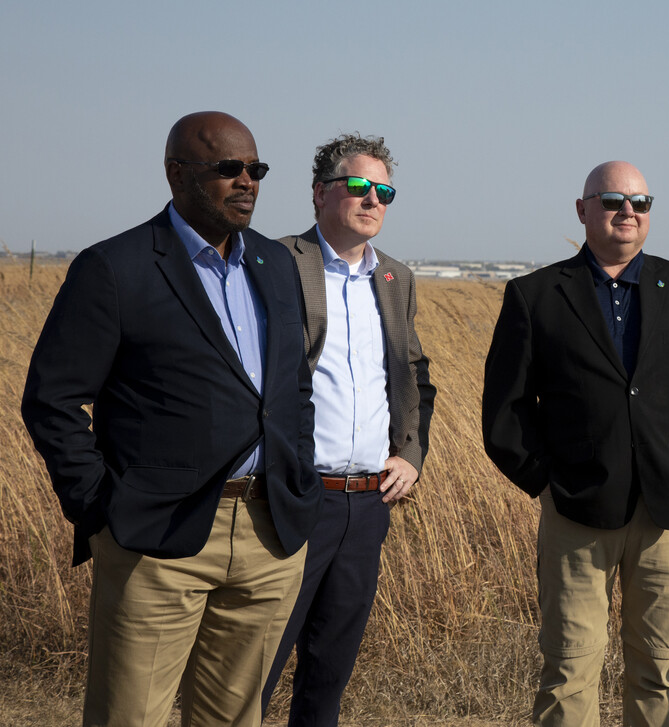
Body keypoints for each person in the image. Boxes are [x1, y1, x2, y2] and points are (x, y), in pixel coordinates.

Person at [21, 111, 323, 727]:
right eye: (228, 169)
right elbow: (52, 399)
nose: (247, 183)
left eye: (256, 170)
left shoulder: (276, 263)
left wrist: (299, 478)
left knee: (234, 717)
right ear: (176, 173)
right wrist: (102, 505)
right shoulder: (116, 267)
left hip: (271, 532)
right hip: (156, 539)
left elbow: (293, 388)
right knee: (130, 716)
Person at [482, 160, 669, 726]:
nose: (628, 212)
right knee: (570, 668)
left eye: (640, 203)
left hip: (667, 511)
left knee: (659, 666)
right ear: (582, 210)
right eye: (612, 201)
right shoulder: (535, 295)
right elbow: (505, 412)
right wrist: (546, 482)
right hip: (575, 509)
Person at [262, 133, 436, 726]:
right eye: (358, 186)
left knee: (328, 673)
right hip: (292, 499)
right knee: (252, 671)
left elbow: (413, 372)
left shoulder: (395, 279)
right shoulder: (276, 261)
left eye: (383, 191)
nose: (373, 200)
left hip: (366, 505)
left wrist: (410, 453)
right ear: (320, 193)